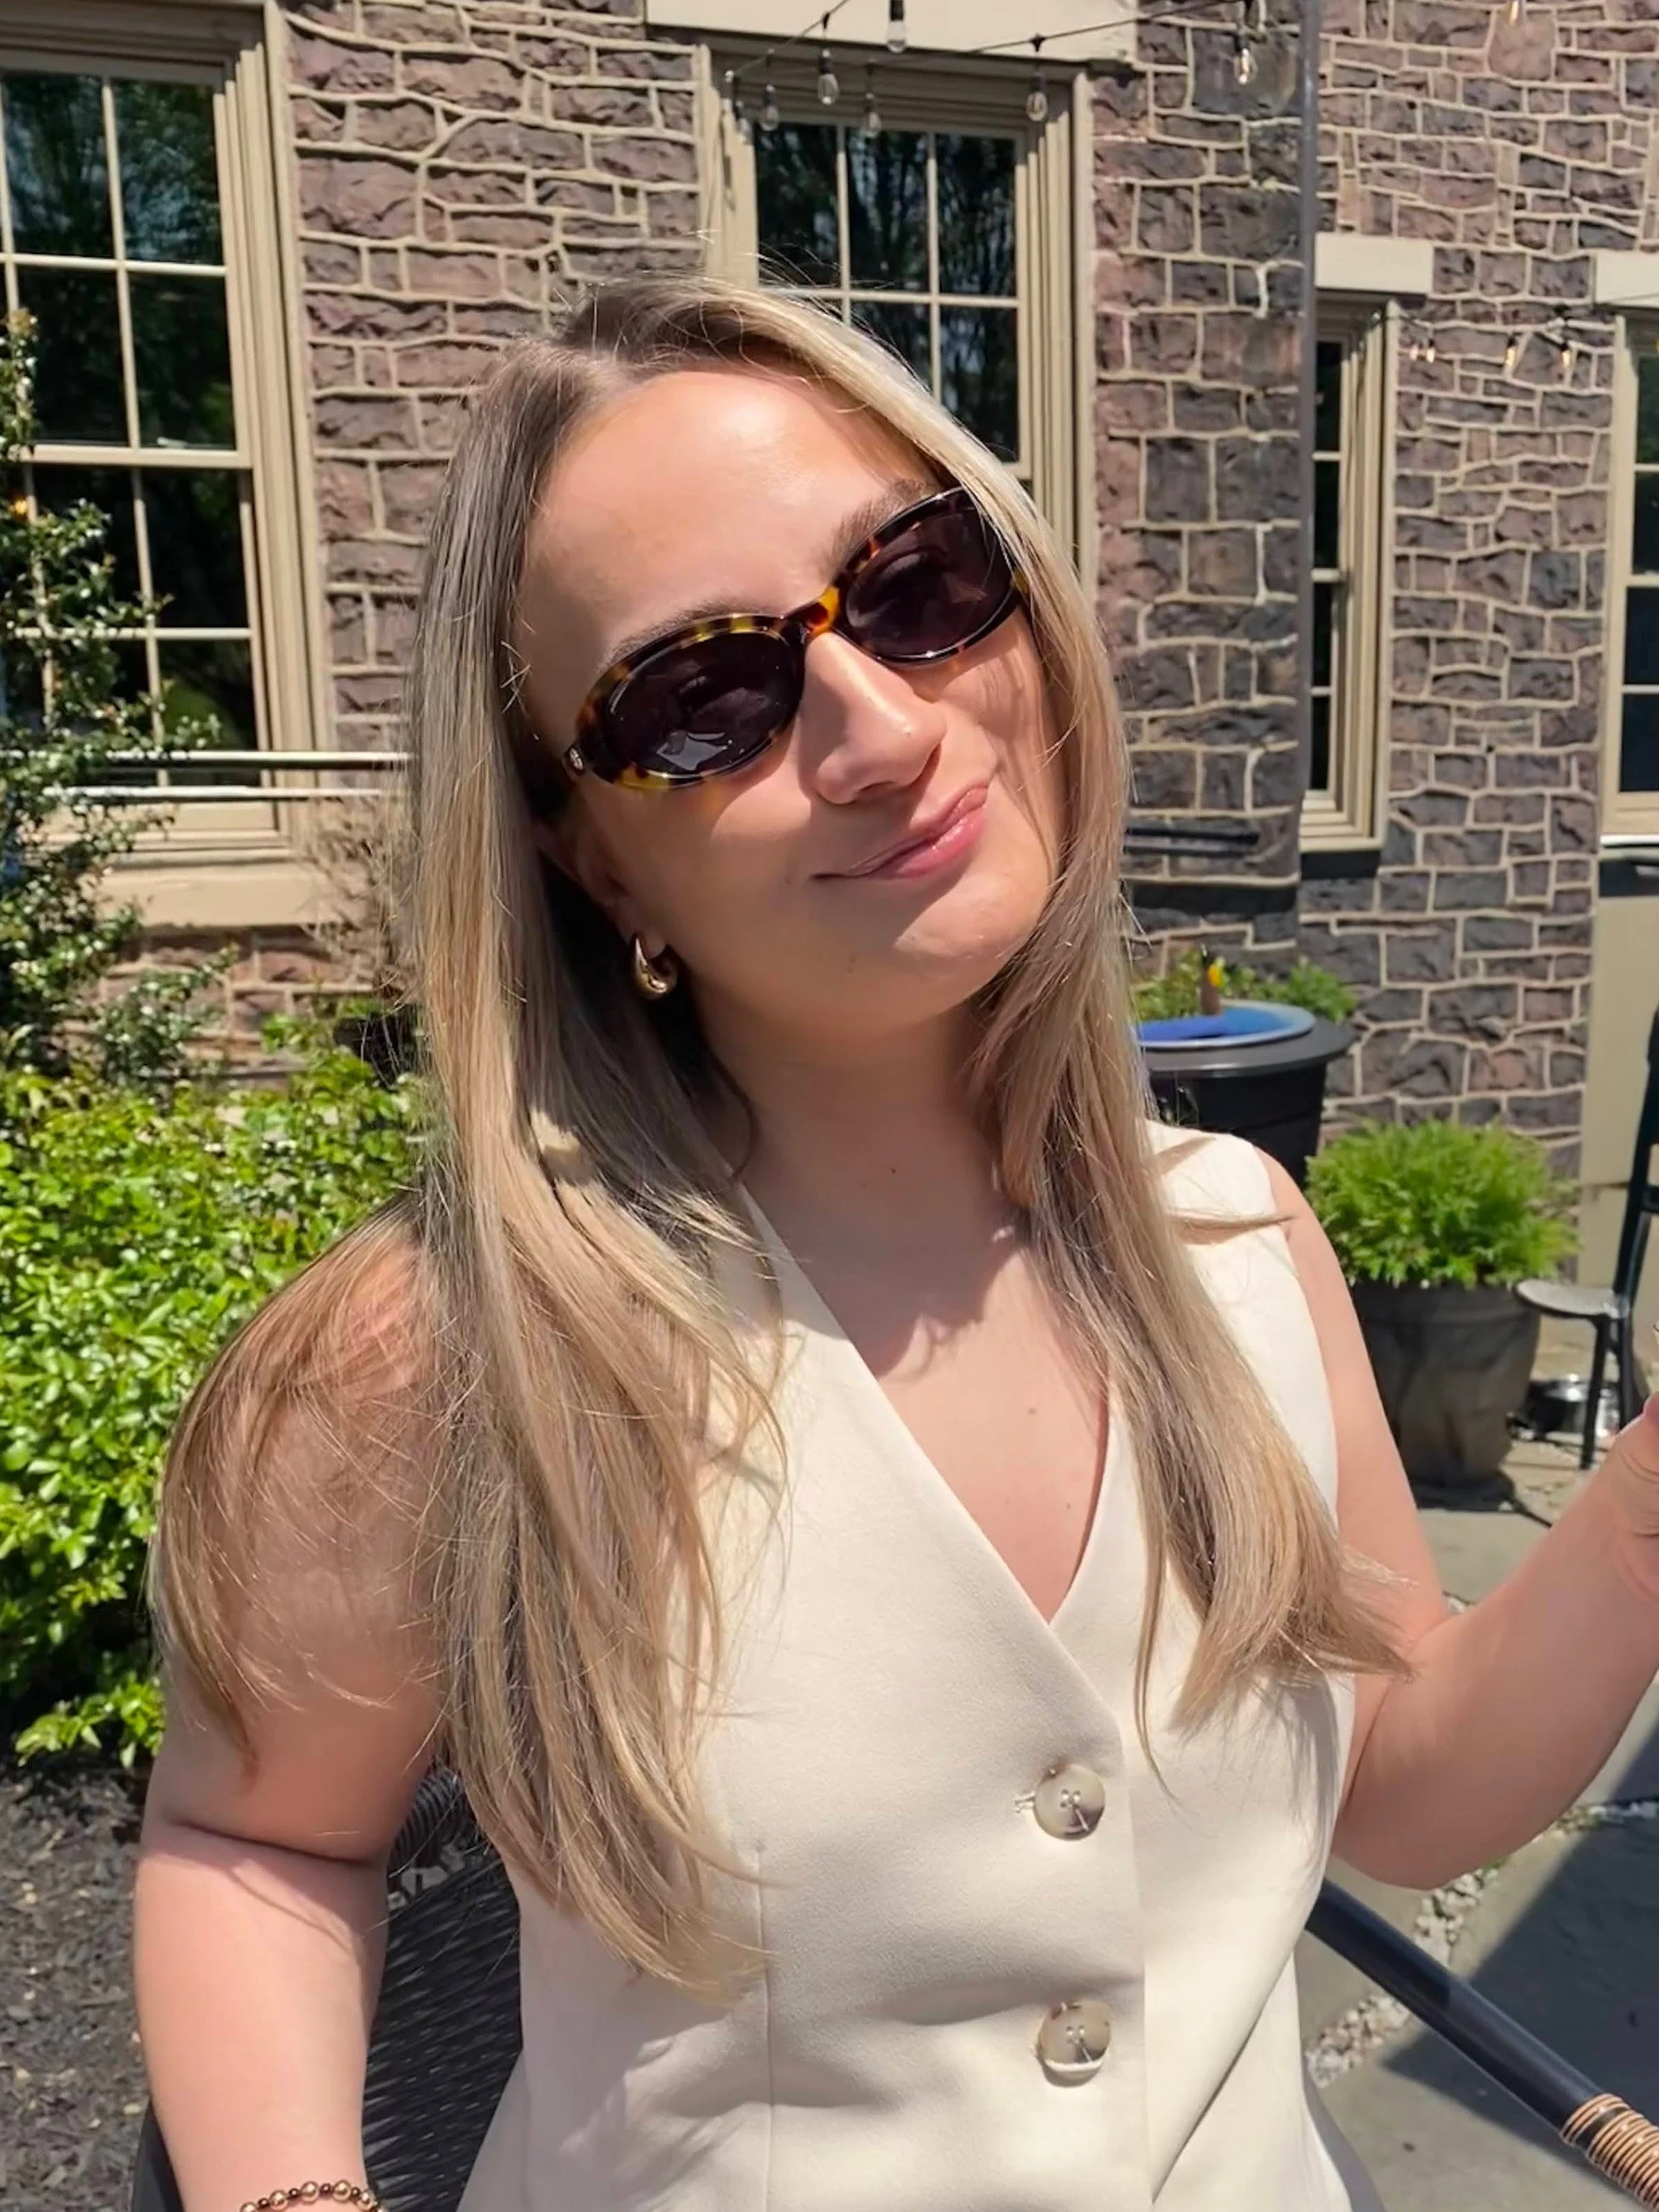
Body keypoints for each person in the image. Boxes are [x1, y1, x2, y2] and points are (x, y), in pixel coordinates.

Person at [134, 277, 1659, 2212]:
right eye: (702, 700)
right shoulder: (442, 1350)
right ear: (591, 855)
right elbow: (259, 1846)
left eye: (921, 585)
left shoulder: (1238, 1243)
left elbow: (1400, 1781)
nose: (873, 728)